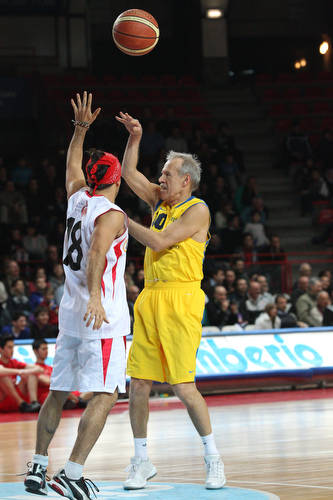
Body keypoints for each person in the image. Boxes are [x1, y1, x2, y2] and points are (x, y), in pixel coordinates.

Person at [24, 92, 130, 499]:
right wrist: (97, 298)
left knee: (58, 391)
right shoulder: (112, 213)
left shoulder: (77, 198)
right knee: (106, 393)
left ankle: (36, 467)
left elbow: (72, 165)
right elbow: (99, 253)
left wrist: (80, 130)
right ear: (116, 179)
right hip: (99, 318)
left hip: (69, 313)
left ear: (92, 178)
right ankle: (72, 471)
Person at [116, 111, 225, 490]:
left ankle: (213, 458)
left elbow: (160, 242)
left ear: (186, 180)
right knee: (139, 384)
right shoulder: (159, 202)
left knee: (183, 387)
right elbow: (128, 175)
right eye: (159, 174)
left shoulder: (197, 210)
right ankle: (141, 460)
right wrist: (135, 137)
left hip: (181, 299)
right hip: (151, 298)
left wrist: (120, 220)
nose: (159, 179)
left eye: (165, 175)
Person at [0, 334, 42, 413]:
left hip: (14, 397)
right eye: (9, 347)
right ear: (1, 349)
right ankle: (22, 404)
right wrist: (20, 371)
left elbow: (39, 369)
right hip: (3, 398)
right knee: (3, 377)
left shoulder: (14, 362)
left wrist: (26, 373)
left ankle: (34, 403)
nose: (12, 350)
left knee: (31, 374)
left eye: (13, 347)